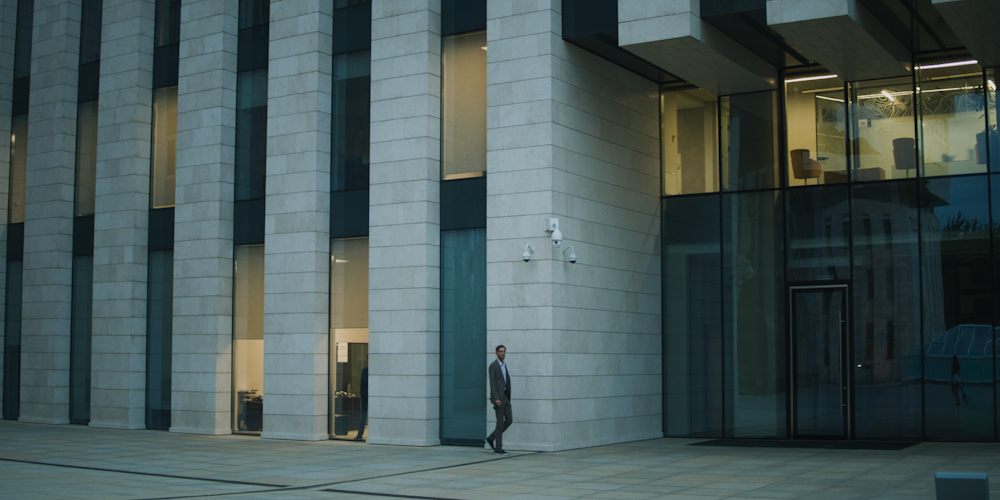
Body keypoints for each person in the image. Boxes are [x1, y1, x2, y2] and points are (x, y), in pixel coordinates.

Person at [486, 345, 512, 455]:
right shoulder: (493, 366)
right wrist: (496, 398)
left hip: (505, 396)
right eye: (500, 352)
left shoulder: (504, 365)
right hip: (498, 399)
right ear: (496, 353)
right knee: (500, 422)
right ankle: (498, 448)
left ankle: (491, 438)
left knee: (509, 420)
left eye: (504, 352)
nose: (503, 354)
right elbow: (493, 383)